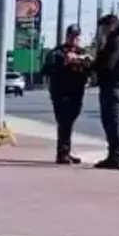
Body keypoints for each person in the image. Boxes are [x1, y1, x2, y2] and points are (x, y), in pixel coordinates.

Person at [92, 13, 119, 169]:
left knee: (112, 122)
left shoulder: (116, 41)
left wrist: (94, 65)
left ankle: (115, 157)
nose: (102, 32)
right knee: (118, 121)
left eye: (103, 28)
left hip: (113, 86)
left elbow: (109, 64)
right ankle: (114, 155)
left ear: (110, 26)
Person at [43, 26, 90, 164]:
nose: (75, 39)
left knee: (70, 121)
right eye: (72, 36)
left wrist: (86, 64)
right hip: (61, 92)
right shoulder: (57, 53)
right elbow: (46, 70)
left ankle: (66, 151)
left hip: (77, 92)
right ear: (67, 36)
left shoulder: (82, 52)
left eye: (77, 36)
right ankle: (62, 153)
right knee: (64, 122)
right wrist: (65, 62)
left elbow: (89, 70)